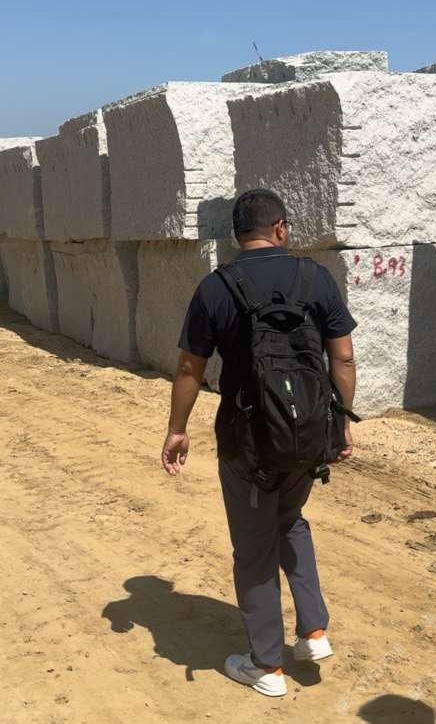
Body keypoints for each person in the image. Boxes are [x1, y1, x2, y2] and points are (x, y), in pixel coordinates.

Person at [161, 188, 357, 698]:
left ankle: (266, 665)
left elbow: (189, 368)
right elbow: (342, 358)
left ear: (236, 235)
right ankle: (313, 633)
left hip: (246, 441)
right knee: (290, 519)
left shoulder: (216, 287)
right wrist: (340, 425)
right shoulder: (316, 278)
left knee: (253, 548)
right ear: (281, 228)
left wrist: (177, 428)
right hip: (309, 434)